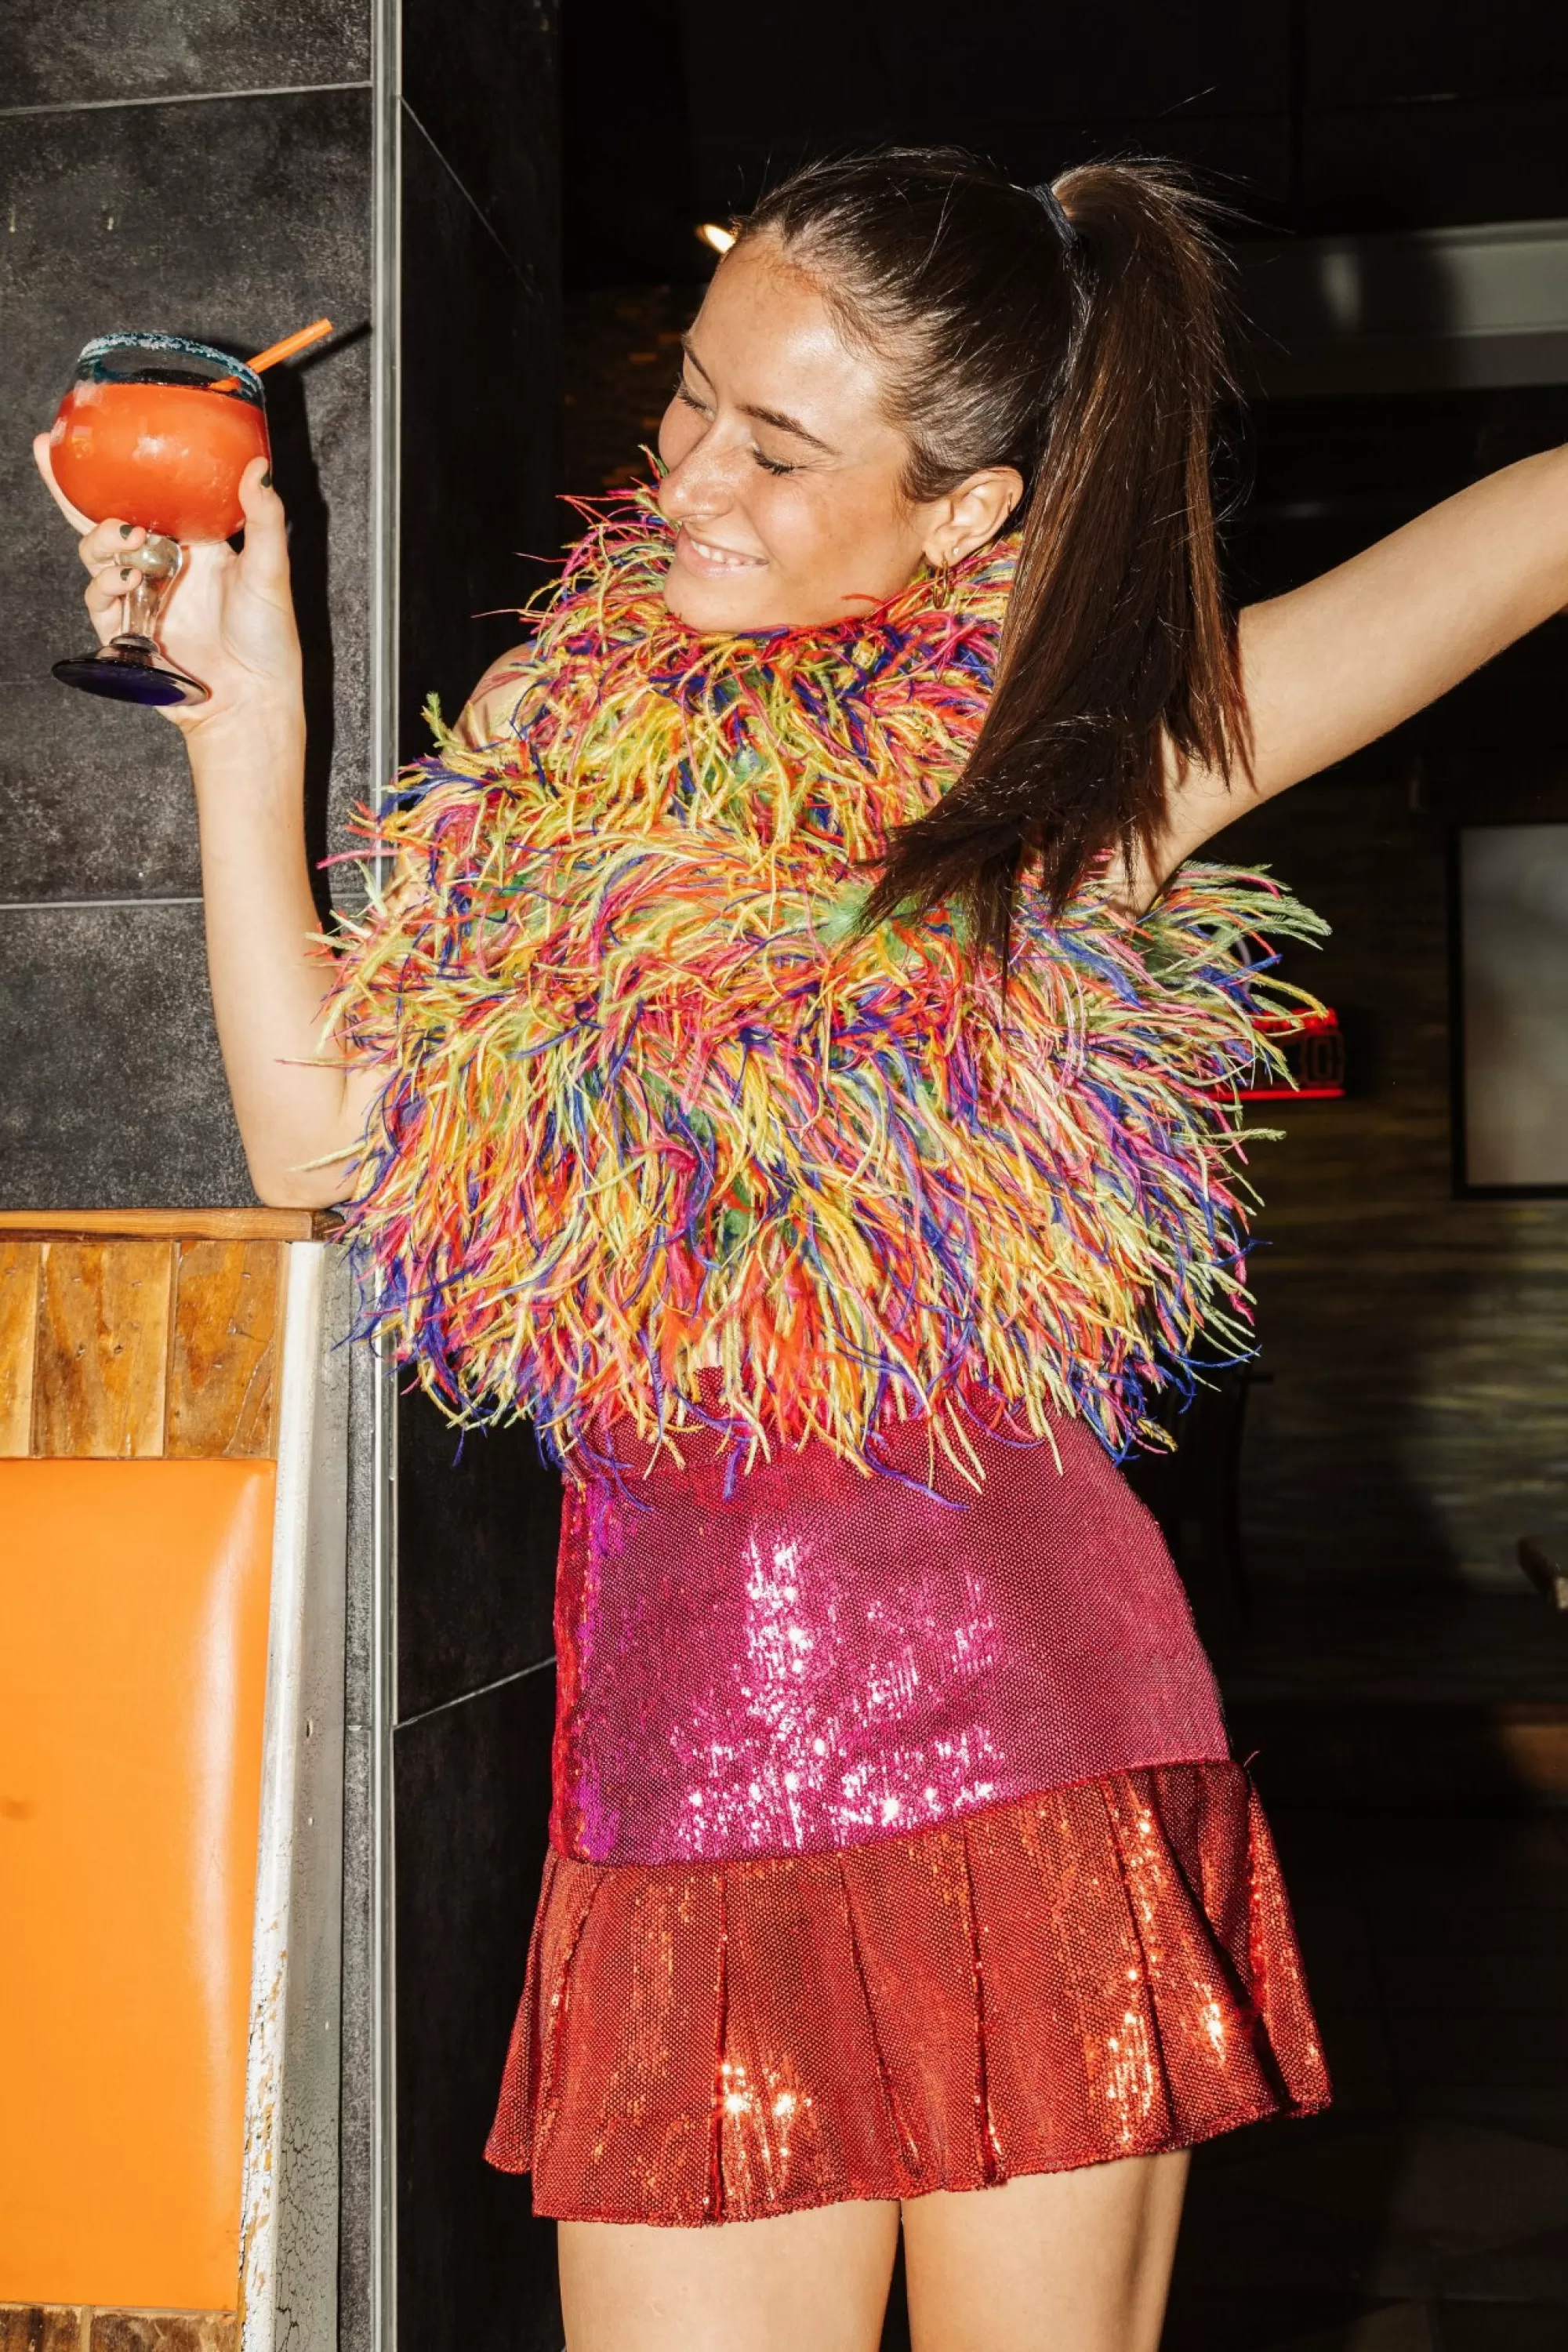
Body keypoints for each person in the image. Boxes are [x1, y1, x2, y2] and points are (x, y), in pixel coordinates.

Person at [38, 147, 1568, 2352]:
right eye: (689, 402)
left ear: (969, 516)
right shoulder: (560, 779)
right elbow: (308, 1141)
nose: (688, 481)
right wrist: (241, 715)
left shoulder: (1065, 785)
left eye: (777, 445)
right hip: (678, 1781)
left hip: (1024, 1749)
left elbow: (1517, 535)